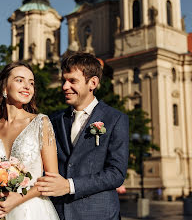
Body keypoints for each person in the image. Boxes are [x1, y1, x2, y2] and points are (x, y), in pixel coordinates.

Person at [35, 52, 129, 220]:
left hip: (99, 214)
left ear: (92, 83)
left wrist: (70, 185)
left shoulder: (115, 119)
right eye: (64, 80)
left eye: (72, 81)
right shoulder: (54, 120)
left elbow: (116, 173)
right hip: (58, 212)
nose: (64, 86)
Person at [0, 62, 60, 220]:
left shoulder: (41, 123)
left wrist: (17, 199)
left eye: (31, 83)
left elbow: (51, 178)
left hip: (32, 212)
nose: (27, 86)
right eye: (20, 80)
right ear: (4, 88)